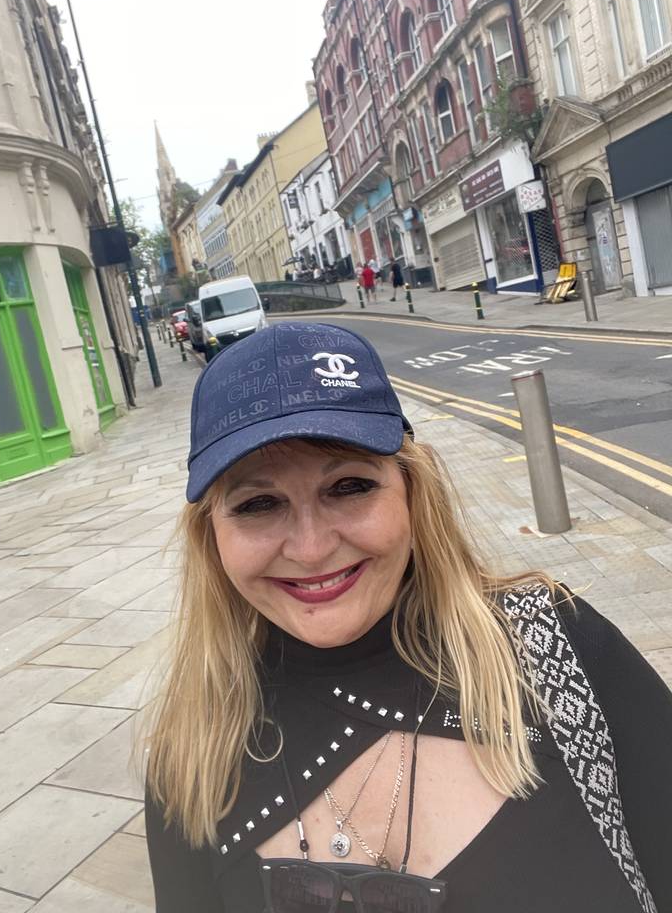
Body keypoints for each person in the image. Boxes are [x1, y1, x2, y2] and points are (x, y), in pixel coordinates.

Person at [145, 321, 671, 913]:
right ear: (211, 537)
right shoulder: (192, 757)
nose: (312, 547)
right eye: (258, 504)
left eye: (348, 486)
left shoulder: (556, 647)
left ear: (412, 493)